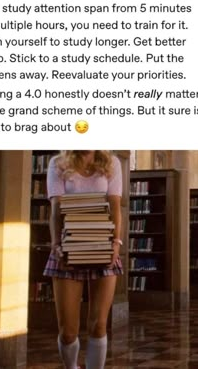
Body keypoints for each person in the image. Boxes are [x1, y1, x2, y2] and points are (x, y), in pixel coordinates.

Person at [43, 150, 123, 369]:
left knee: (98, 326)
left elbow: (115, 207)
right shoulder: (57, 164)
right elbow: (56, 210)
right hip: (67, 248)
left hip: (103, 247)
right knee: (68, 332)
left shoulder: (112, 163)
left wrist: (116, 244)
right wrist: (56, 246)